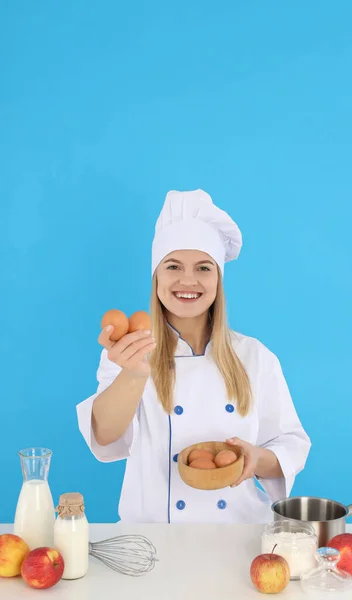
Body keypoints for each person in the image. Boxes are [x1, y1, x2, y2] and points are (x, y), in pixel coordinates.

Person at [76, 189, 311, 524]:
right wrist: (133, 374)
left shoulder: (254, 356)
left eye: (203, 268)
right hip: (153, 542)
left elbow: (290, 444)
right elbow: (105, 436)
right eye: (173, 266)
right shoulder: (128, 350)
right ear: (157, 277)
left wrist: (256, 459)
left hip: (239, 537)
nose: (189, 280)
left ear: (218, 279)